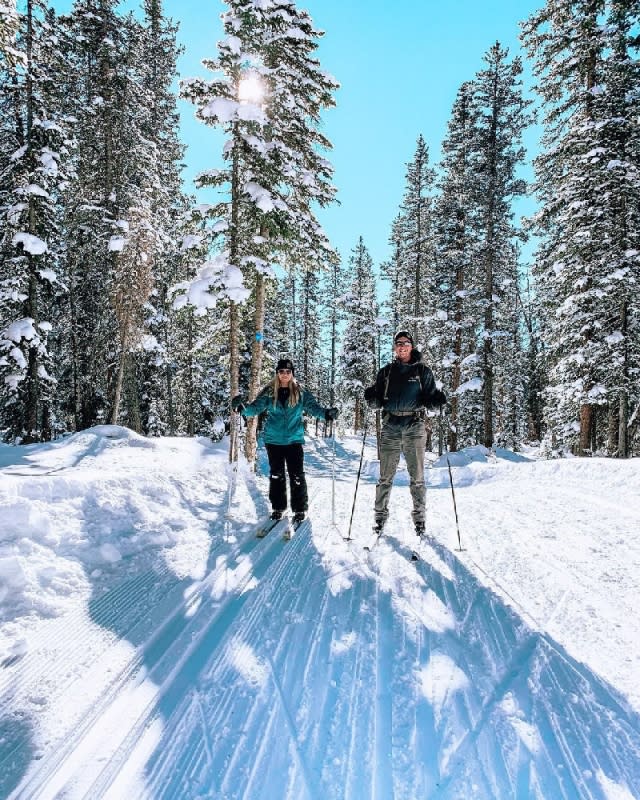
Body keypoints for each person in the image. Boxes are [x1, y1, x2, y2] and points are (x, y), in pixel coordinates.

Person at [232, 358, 339, 523]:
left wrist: (326, 414)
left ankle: (300, 509)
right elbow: (255, 408)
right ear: (277, 373)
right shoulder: (269, 392)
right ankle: (278, 508)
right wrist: (241, 408)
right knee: (276, 475)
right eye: (281, 371)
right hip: (273, 440)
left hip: (294, 440)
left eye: (288, 371)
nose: (284, 374)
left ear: (292, 373)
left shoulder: (300, 392)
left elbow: (313, 408)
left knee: (297, 475)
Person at [364, 330, 446, 536]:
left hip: (414, 425)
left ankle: (420, 519)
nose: (402, 346)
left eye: (406, 343)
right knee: (385, 476)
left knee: (417, 476)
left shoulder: (422, 371)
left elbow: (430, 400)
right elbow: (377, 402)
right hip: (390, 425)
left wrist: (437, 401)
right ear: (395, 347)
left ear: (412, 346)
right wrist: (371, 399)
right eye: (398, 343)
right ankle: (379, 518)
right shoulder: (386, 372)